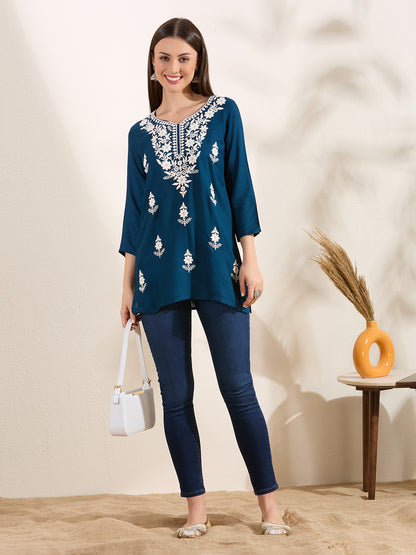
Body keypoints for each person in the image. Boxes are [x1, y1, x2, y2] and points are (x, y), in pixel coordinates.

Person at [119, 17, 291, 538]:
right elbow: (134, 213)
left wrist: (250, 258)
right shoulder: (140, 134)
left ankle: (270, 507)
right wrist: (126, 285)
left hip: (219, 266)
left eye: (183, 58)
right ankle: (196, 510)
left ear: (198, 63)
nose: (173, 68)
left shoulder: (223, 113)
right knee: (177, 398)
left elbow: (241, 187)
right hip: (157, 275)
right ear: (152, 63)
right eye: (164, 57)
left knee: (238, 389)